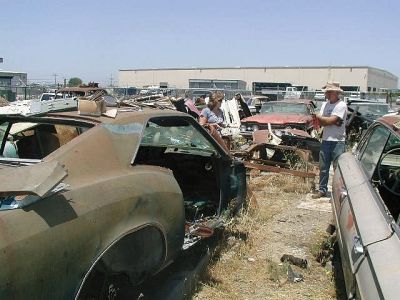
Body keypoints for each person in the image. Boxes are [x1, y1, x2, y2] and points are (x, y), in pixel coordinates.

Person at [312, 82, 347, 199]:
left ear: (335, 93)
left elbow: (326, 121)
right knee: (323, 167)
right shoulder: (325, 105)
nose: (326, 93)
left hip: (338, 140)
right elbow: (324, 122)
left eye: (328, 91)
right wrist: (331, 120)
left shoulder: (341, 105)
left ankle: (337, 193)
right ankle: (322, 190)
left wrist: (323, 119)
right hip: (327, 139)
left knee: (338, 168)